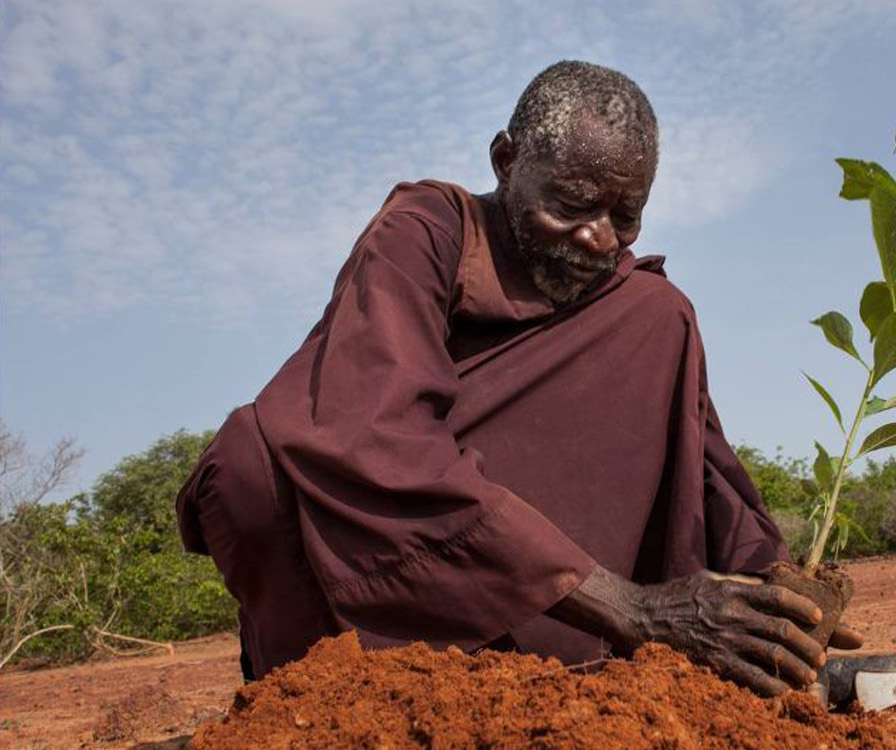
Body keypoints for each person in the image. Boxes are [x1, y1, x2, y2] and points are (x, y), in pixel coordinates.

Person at [176, 60, 860, 699]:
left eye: (625, 217)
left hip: (540, 599)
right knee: (250, 462)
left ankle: (676, 670)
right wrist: (632, 608)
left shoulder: (636, 307)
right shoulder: (423, 234)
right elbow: (374, 435)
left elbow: (703, 459)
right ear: (506, 161)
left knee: (658, 313)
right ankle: (321, 694)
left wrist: (778, 599)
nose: (598, 239)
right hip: (369, 583)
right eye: (571, 204)